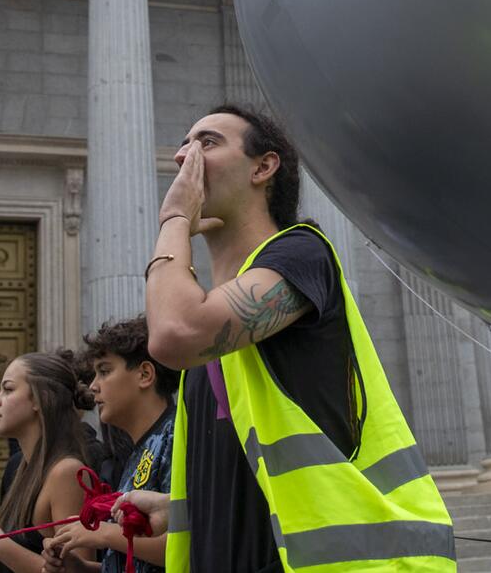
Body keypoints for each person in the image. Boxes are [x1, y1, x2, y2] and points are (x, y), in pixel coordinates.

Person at [143, 103, 454, 572]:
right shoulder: (214, 345)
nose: (184, 158)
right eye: (184, 144)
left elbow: (174, 333)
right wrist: (177, 506)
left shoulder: (302, 255)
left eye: (207, 142)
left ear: (264, 167)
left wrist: (173, 221)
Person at [44, 317, 175, 573]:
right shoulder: (139, 449)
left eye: (104, 371)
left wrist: (104, 534)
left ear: (145, 374)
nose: (93, 386)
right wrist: (81, 568)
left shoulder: (177, 435)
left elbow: (188, 542)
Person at [0, 352, 95, 573]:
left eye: (8, 389)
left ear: (41, 399)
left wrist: (0, 547)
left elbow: (77, 569)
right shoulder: (22, 466)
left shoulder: (66, 472)